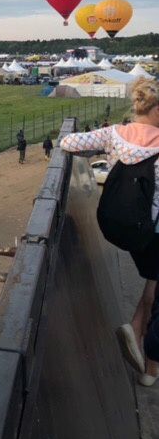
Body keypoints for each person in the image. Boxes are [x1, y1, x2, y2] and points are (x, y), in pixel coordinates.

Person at [60, 78, 159, 385]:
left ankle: (136, 332)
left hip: (120, 228)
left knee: (154, 281)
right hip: (153, 231)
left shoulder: (115, 134)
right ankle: (151, 363)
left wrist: (102, 147)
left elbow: (68, 143)